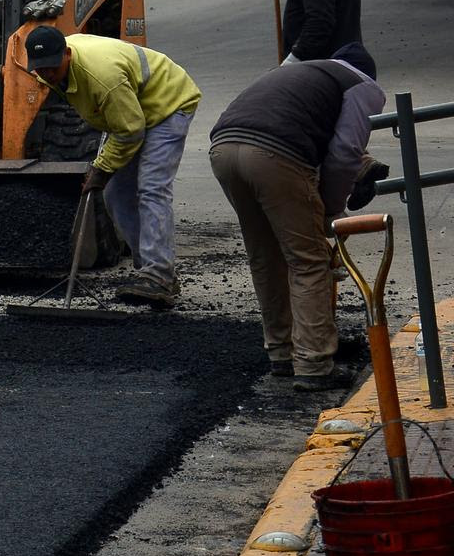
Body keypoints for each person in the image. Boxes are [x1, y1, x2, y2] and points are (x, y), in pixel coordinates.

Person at [209, 43, 384, 392]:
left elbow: (322, 135)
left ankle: (282, 352)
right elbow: (344, 151)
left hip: (223, 148)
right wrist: (331, 212)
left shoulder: (300, 73)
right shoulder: (363, 85)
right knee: (308, 261)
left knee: (266, 257)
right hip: (275, 154)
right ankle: (315, 363)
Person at [23, 27, 201, 307]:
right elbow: (121, 121)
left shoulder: (102, 77)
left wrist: (102, 169)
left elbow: (130, 132)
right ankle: (150, 273)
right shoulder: (50, 67)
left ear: (67, 54)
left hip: (168, 104)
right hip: (130, 110)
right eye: (41, 69)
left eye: (52, 68)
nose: (47, 74)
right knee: (116, 194)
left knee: (152, 189)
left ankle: (159, 276)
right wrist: (104, 171)